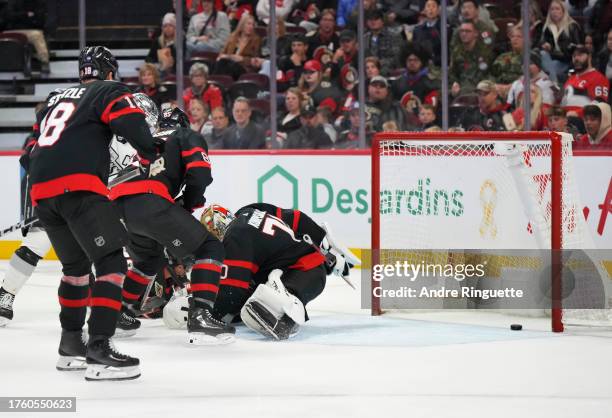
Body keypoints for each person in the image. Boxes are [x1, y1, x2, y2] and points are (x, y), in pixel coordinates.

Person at [24, 46, 162, 381]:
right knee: (112, 262)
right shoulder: (110, 90)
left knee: (74, 268)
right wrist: (153, 149)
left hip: (41, 189)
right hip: (79, 187)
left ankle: (70, 345)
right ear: (110, 71)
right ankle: (99, 347)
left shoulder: (57, 97)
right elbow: (131, 124)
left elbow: (31, 148)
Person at [109, 102, 235, 345]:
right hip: (150, 199)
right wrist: (189, 203)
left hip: (118, 204)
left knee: (148, 260)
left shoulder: (144, 139)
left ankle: (118, 312)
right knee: (209, 248)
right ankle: (201, 315)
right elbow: (200, 173)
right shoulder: (185, 134)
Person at [162, 203, 359, 340]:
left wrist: (198, 306)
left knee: (258, 305)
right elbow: (296, 218)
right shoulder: (249, 211)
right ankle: (283, 301)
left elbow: (231, 295)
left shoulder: (235, 240)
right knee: (256, 297)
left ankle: (285, 306)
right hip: (309, 270)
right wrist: (324, 245)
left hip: (301, 273)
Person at [538, 0, 584, 84]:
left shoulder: (572, 26)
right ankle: (555, 84)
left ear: (563, 11)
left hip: (567, 61)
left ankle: (554, 84)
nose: (554, 12)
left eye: (557, 9)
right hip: (552, 59)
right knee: (543, 54)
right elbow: (540, 44)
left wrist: (564, 48)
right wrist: (546, 46)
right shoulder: (547, 28)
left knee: (548, 70)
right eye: (552, 9)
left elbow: (578, 48)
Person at [0, 0, 51, 73]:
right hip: (11, 29)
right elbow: (7, 17)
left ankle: (44, 61)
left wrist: (18, 17)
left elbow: (40, 20)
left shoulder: (39, 3)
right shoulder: (11, 3)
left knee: (36, 35)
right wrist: (26, 15)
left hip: (31, 30)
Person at [561, 44, 609, 117]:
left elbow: (600, 104)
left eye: (580, 55)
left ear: (589, 57)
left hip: (585, 122)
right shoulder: (570, 79)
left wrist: (577, 113)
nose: (576, 58)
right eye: (574, 56)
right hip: (564, 123)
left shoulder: (598, 78)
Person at [449, 21, 494, 96]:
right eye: (462, 31)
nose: (464, 34)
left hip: (478, 85)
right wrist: (455, 83)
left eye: (468, 31)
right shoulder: (457, 51)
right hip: (461, 83)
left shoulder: (484, 52)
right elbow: (453, 72)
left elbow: (483, 74)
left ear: (476, 33)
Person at [215, 13, 263, 79]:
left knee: (230, 65)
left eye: (253, 25)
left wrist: (242, 59)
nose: (251, 27)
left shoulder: (256, 40)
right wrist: (227, 57)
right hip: (229, 65)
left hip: (244, 69)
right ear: (242, 25)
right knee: (221, 62)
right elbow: (223, 53)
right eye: (248, 24)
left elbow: (256, 60)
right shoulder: (233, 37)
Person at [363, 9, 402, 76]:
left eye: (376, 19)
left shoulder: (394, 35)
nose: (373, 22)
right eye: (370, 19)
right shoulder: (364, 38)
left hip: (388, 71)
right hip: (368, 71)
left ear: (382, 21)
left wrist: (378, 63)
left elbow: (397, 57)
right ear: (367, 23)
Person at [412, 0, 444, 67]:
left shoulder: (445, 29)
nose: (430, 9)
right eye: (428, 6)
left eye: (433, 6)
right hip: (421, 66)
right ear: (424, 10)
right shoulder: (417, 30)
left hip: (439, 67)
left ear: (438, 10)